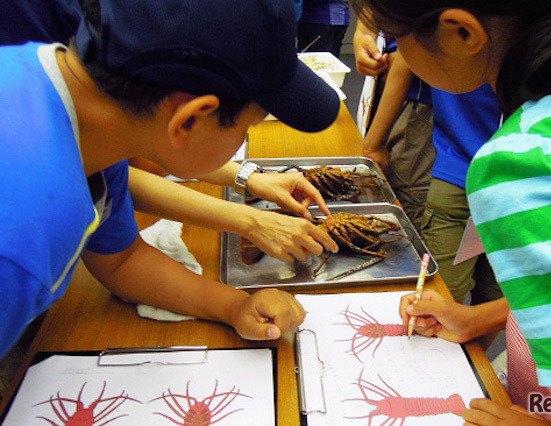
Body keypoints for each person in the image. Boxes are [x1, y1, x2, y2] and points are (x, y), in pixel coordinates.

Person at [0, 0, 342, 360]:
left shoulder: (94, 131)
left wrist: (234, 307)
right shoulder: (21, 243)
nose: (242, 142)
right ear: (190, 120)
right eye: (247, 127)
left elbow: (121, 260)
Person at [352, 0, 551, 424]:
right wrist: (478, 318)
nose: (396, 54)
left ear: (460, 33)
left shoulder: (530, 161)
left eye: (398, 39)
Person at [354, 16, 503, 310]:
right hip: (457, 169)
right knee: (442, 289)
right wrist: (363, 31)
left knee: (495, 291)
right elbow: (403, 58)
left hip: (511, 179)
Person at [362, 40, 435, 232]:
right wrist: (364, 34)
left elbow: (406, 56)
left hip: (422, 107)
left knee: (410, 204)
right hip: (404, 98)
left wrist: (372, 144)